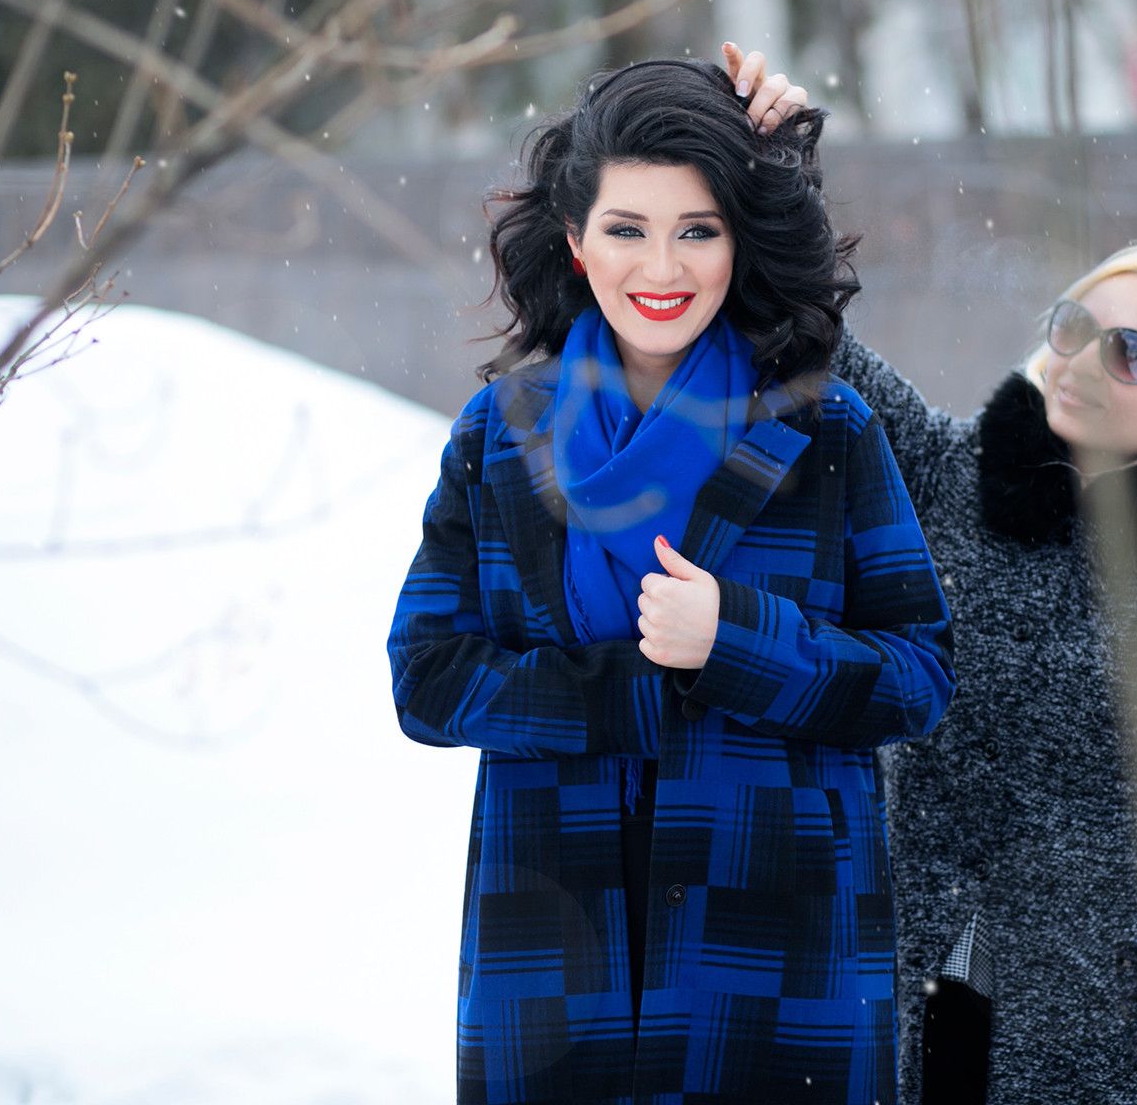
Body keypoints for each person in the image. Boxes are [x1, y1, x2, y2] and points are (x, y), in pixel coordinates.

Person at [721, 44, 1137, 1105]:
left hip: (1114, 1012)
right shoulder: (947, 469)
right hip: (916, 974)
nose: (1083, 361)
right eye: (1075, 328)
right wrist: (775, 172)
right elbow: (807, 339)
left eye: (1133, 353)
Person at [386, 56, 955, 1105]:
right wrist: (621, 693)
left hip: (780, 963)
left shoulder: (825, 428)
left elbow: (918, 676)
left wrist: (736, 639)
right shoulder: (501, 436)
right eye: (627, 228)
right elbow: (426, 675)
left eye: (698, 230)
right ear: (576, 241)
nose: (663, 266)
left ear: (740, 241)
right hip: (554, 967)